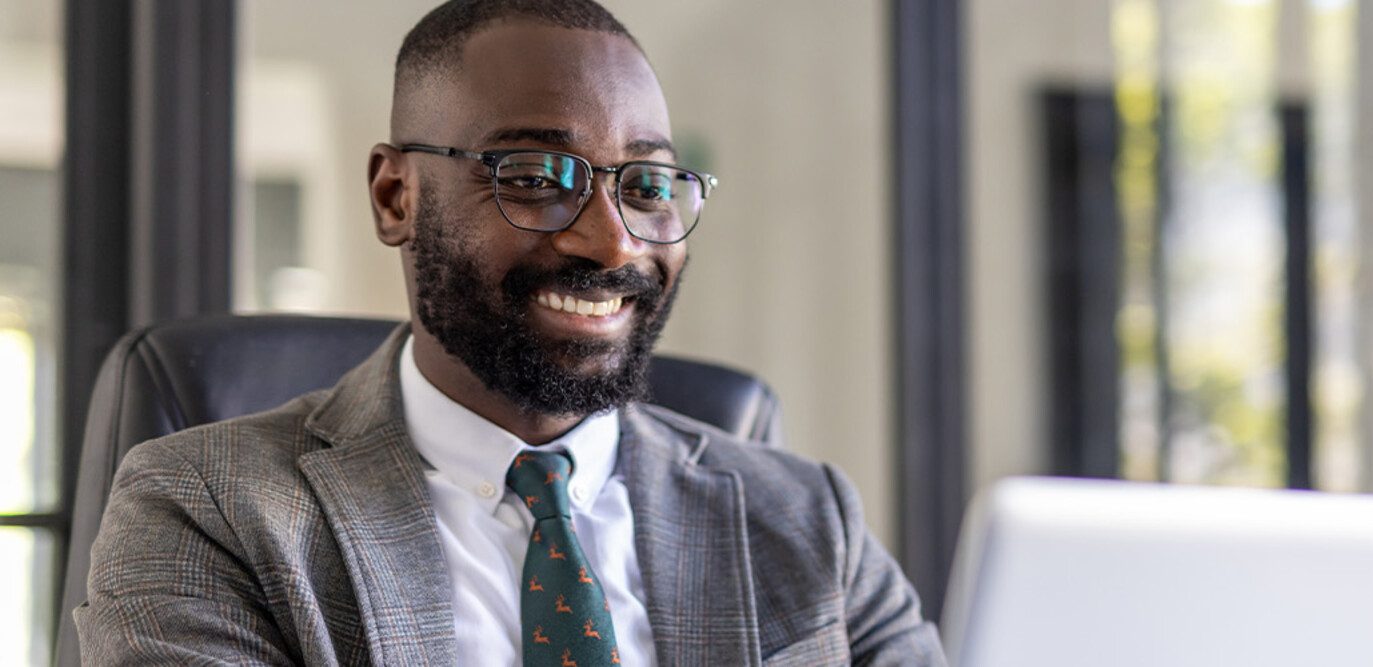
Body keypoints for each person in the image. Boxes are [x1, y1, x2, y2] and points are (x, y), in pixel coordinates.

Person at [71, 1, 944, 665]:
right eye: (534, 176)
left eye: (645, 186)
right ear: (394, 196)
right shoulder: (208, 508)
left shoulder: (808, 521)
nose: (612, 241)